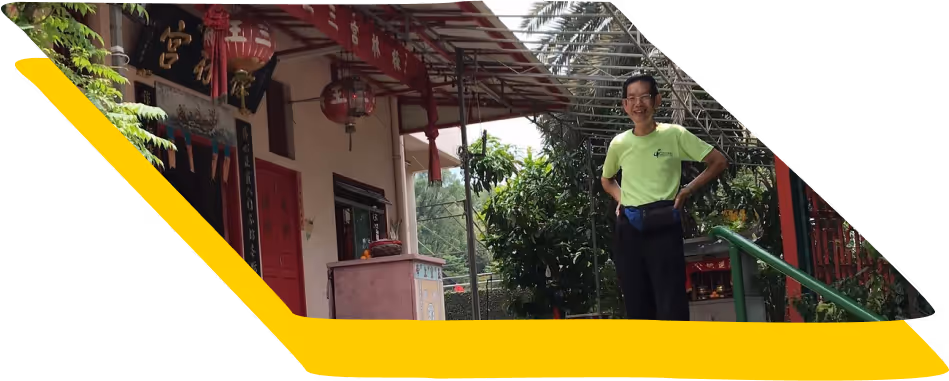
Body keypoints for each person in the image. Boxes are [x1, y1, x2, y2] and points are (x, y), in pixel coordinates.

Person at [600, 74, 728, 321]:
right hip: (629, 227)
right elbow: (607, 179)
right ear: (625, 105)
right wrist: (621, 198)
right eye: (632, 98)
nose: (639, 104)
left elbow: (718, 161)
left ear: (657, 100)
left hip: (664, 223)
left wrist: (687, 190)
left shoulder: (674, 134)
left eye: (645, 96)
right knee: (636, 302)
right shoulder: (619, 143)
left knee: (671, 302)